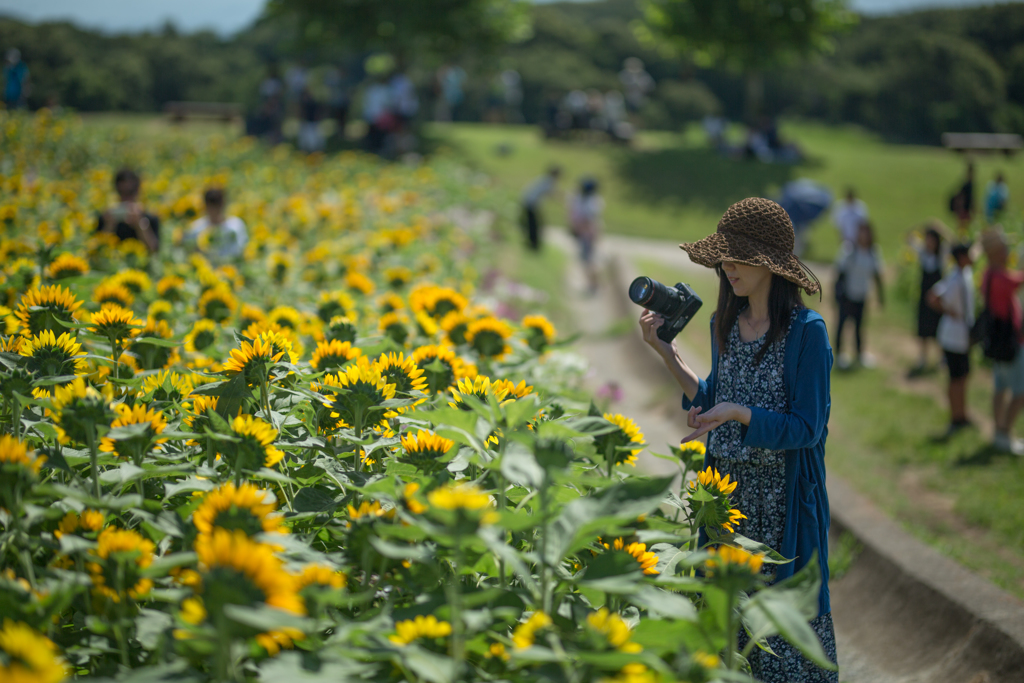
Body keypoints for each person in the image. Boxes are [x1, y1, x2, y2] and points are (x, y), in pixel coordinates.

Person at [640, 197, 836, 682]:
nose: (727, 268)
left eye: (737, 257)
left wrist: (742, 414)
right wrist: (666, 351)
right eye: (723, 257)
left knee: (781, 638)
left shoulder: (808, 333)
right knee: (723, 634)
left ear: (770, 265)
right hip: (725, 501)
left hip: (781, 507)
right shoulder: (722, 322)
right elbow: (712, 400)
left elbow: (807, 428)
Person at [980, 230, 1024, 455]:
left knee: (1000, 388)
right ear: (996, 252)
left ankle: (998, 431)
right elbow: (1018, 280)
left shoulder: (988, 275)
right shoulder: (1002, 278)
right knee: (1020, 391)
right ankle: (1006, 432)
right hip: (1011, 342)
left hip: (997, 343)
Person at [927, 243, 975, 437]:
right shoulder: (956, 279)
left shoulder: (963, 273)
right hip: (953, 335)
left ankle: (961, 413)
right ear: (962, 257)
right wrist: (949, 311)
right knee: (956, 377)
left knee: (962, 376)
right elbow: (933, 297)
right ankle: (956, 417)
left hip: (960, 334)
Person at [834, 222, 884, 369]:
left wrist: (881, 296)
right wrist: (837, 294)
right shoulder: (849, 250)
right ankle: (839, 355)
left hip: (862, 295)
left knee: (859, 326)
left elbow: (877, 275)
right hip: (847, 295)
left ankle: (859, 353)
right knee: (842, 324)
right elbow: (840, 273)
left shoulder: (873, 252)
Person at [907, 223, 945, 376]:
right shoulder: (923, 254)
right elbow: (909, 238)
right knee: (923, 328)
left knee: (939, 327)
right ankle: (923, 357)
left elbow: (953, 241)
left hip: (938, 298)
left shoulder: (941, 255)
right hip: (924, 298)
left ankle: (941, 357)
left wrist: (939, 228)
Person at [96, 169, 160, 253]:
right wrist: (109, 226)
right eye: (121, 192)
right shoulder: (106, 218)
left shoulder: (150, 219)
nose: (126, 197)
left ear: (138, 191)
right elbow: (98, 252)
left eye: (130, 192)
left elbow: (154, 251)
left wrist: (140, 225)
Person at [186, 188, 248, 263]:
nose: (214, 210)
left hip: (232, 269)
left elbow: (243, 250)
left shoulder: (235, 226)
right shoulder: (196, 229)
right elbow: (189, 252)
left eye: (217, 205)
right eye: (212, 206)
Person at [568, 178, 604, 294]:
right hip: (584, 235)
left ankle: (594, 285)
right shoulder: (583, 199)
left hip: (587, 236)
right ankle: (592, 284)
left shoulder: (591, 202)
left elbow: (588, 220)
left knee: (589, 261)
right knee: (587, 261)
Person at [521, 165, 562, 251]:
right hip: (531, 203)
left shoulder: (545, 179)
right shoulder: (549, 181)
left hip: (529, 201)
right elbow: (550, 194)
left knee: (533, 224)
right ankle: (533, 244)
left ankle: (533, 243)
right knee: (534, 225)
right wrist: (560, 197)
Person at [950, 164, 975, 232]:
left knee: (966, 227)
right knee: (962, 226)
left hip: (967, 208)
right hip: (964, 208)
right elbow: (962, 197)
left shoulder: (970, 184)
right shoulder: (966, 184)